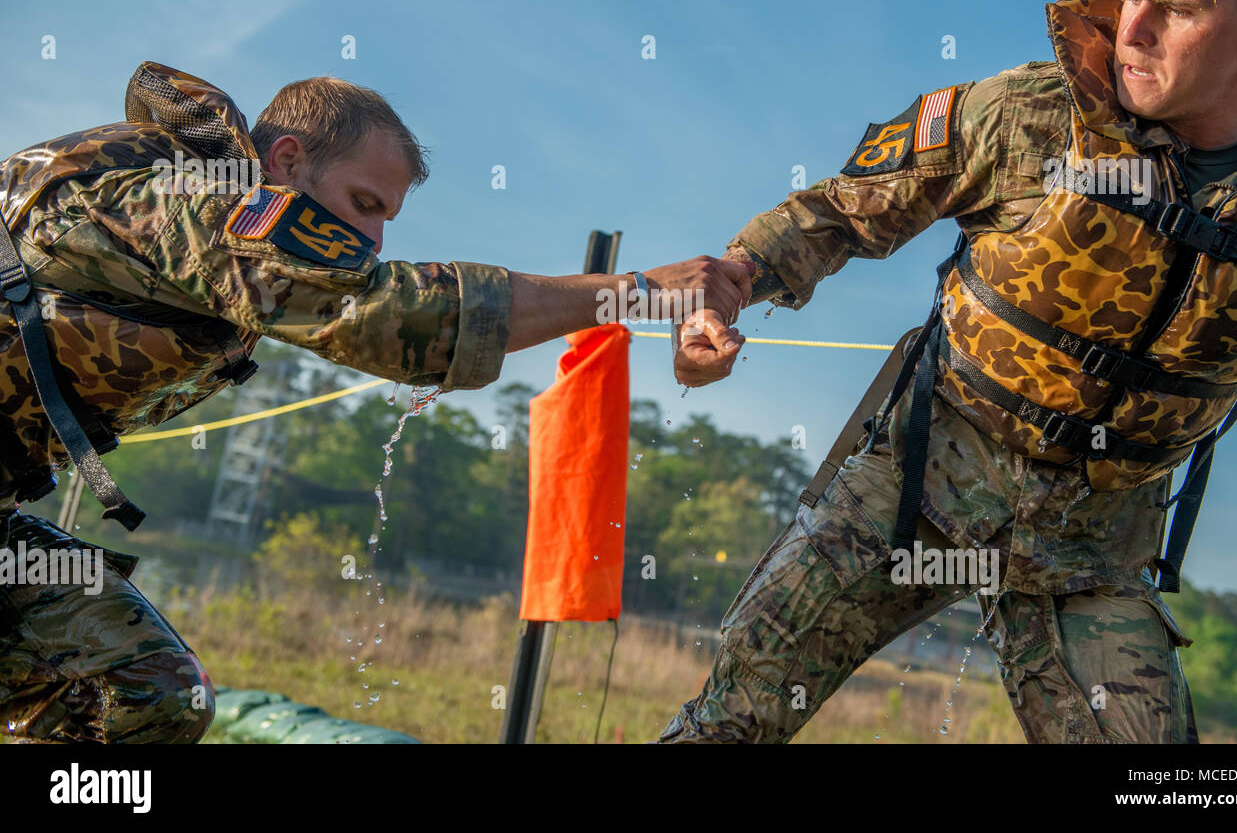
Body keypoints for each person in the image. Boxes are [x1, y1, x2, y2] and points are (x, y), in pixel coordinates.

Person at [660, 0, 1237, 743]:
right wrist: (732, 283)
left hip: (1093, 550)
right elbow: (840, 210)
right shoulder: (1027, 118)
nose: (1133, 31)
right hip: (920, 484)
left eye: (1176, 10)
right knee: (731, 719)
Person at [0, 61, 752, 742]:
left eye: (385, 217)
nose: (372, 238)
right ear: (288, 159)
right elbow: (395, 317)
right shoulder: (187, 205)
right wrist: (645, 292)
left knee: (157, 692)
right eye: (363, 202)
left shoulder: (219, 238)